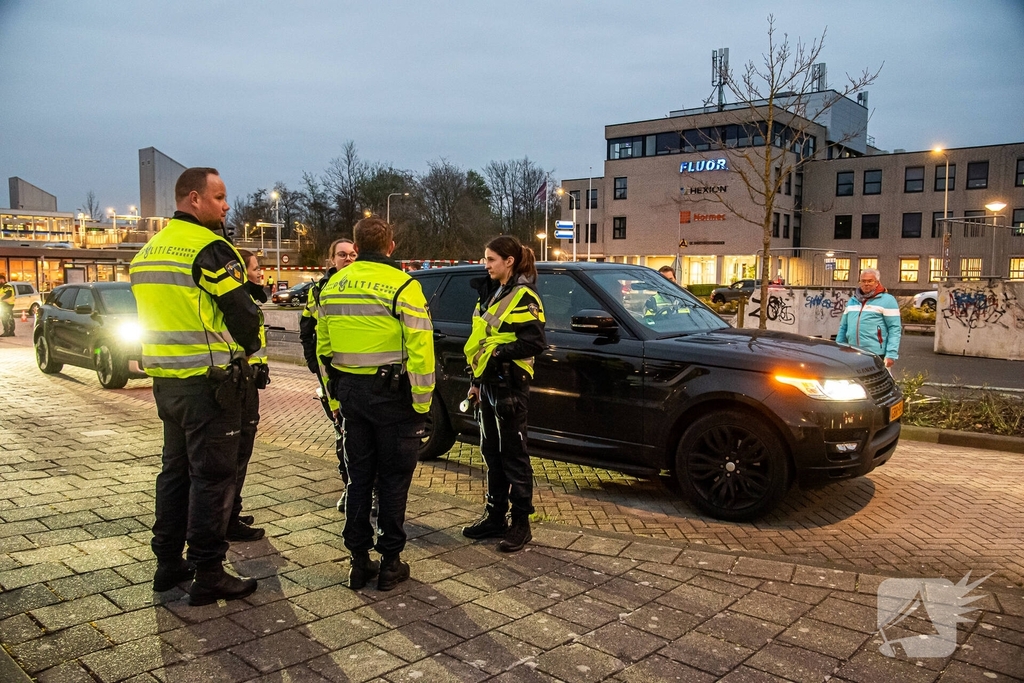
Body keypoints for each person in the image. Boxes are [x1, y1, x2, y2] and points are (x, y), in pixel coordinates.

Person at [129, 167, 262, 606]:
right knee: (213, 478)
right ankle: (208, 570)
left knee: (174, 472)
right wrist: (251, 346)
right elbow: (243, 314)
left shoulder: (148, 251)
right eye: (220, 197)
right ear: (193, 199)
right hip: (211, 384)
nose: (226, 206)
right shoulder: (209, 247)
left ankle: (168, 564)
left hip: (167, 382)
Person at [316, 217, 434, 591]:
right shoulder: (403, 285)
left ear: (356, 243)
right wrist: (421, 403)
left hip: (351, 394)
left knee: (358, 479)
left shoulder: (333, 286)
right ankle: (390, 562)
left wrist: (335, 398)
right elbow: (421, 348)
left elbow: (323, 350)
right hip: (393, 397)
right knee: (394, 480)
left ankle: (357, 561)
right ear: (391, 246)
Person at [462, 235, 547, 553]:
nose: (485, 265)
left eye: (490, 259)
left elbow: (535, 341)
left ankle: (521, 524)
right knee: (491, 452)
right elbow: (478, 338)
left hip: (511, 385)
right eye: (485, 259)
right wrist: (474, 380)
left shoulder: (524, 295)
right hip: (488, 383)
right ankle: (495, 516)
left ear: (509, 261)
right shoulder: (491, 294)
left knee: (513, 454)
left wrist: (498, 354)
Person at [299, 238, 358, 510]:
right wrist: (314, 364)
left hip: (360, 373)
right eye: (343, 254)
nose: (348, 259)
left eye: (353, 254)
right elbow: (307, 330)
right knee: (342, 433)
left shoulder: (363, 285)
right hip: (332, 375)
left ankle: (372, 491)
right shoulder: (319, 290)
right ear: (331, 259)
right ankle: (350, 487)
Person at [231, 249, 270, 541]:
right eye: (255, 268)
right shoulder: (239, 301)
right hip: (238, 383)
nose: (260, 273)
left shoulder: (248, 298)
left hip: (247, 380)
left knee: (241, 453)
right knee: (237, 452)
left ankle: (231, 509)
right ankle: (228, 518)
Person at [836, 268, 902, 369]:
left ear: (877, 282)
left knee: (876, 383)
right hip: (852, 352)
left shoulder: (888, 300)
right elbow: (843, 327)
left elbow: (894, 329)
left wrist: (891, 354)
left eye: (870, 281)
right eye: (863, 281)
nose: (866, 284)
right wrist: (839, 348)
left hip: (876, 354)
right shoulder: (852, 301)